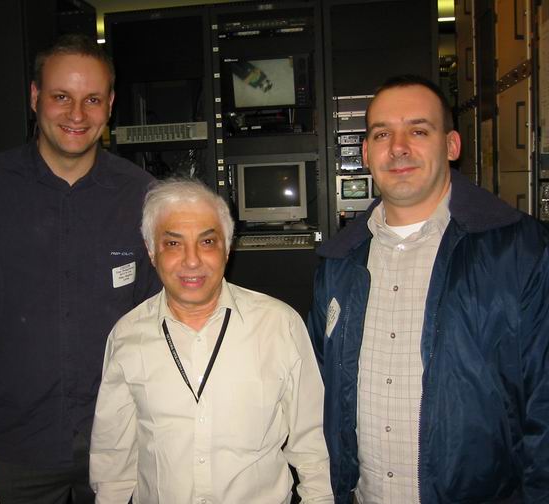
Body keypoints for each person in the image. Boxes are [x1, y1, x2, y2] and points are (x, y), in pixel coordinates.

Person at [0, 34, 161, 504]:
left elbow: (162, 321)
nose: (77, 114)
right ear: (35, 97)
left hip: (120, 444)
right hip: (13, 450)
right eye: (61, 96)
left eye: (92, 99)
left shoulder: (143, 197)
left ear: (110, 104)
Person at [308, 74, 549, 503]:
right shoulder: (337, 264)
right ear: (366, 153)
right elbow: (322, 396)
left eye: (418, 131)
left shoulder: (525, 253)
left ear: (452, 145)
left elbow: (544, 406)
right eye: (382, 134)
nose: (398, 147)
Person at [89, 178, 334, 503]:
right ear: (151, 252)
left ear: (227, 248)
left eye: (207, 242)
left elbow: (313, 445)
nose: (192, 261)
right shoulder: (126, 336)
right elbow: (113, 462)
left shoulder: (279, 325)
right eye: (173, 243)